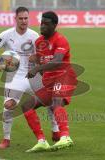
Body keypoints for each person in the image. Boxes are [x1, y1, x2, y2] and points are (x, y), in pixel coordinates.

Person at [0, 7, 60, 149]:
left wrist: (39, 61)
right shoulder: (6, 34)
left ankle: (56, 131)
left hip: (34, 76)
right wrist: (0, 64)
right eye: (20, 18)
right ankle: (6, 139)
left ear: (29, 19)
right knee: (8, 107)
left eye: (26, 18)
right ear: (15, 19)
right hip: (15, 77)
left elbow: (43, 55)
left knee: (51, 102)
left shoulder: (35, 36)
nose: (23, 21)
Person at [23, 11, 77, 152]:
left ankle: (65, 137)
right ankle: (42, 141)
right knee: (27, 106)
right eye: (41, 23)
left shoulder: (60, 40)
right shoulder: (39, 42)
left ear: (54, 25)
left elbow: (57, 61)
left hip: (64, 76)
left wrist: (37, 69)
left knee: (56, 102)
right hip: (49, 81)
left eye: (46, 24)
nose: (42, 26)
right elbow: (42, 59)